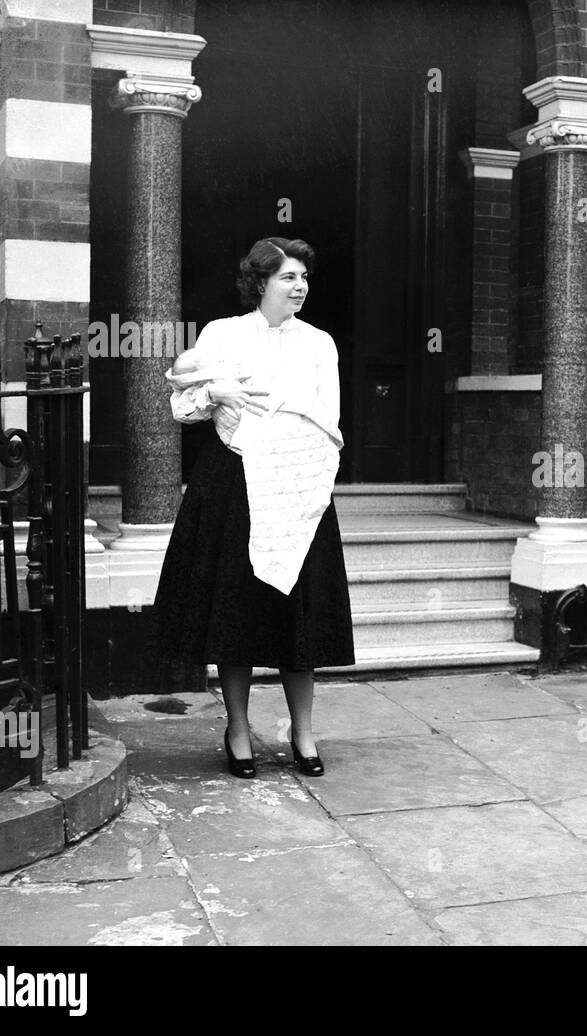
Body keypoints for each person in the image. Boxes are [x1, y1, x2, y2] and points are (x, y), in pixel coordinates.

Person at [152, 237, 355, 779]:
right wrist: (217, 395)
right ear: (260, 281)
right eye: (289, 277)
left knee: (299, 614)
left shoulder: (319, 343)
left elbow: (329, 420)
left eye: (304, 278)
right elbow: (183, 404)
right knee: (234, 609)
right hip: (232, 483)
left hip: (297, 486)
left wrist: (294, 445)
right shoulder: (222, 334)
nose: (300, 286)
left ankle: (303, 732)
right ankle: (238, 728)